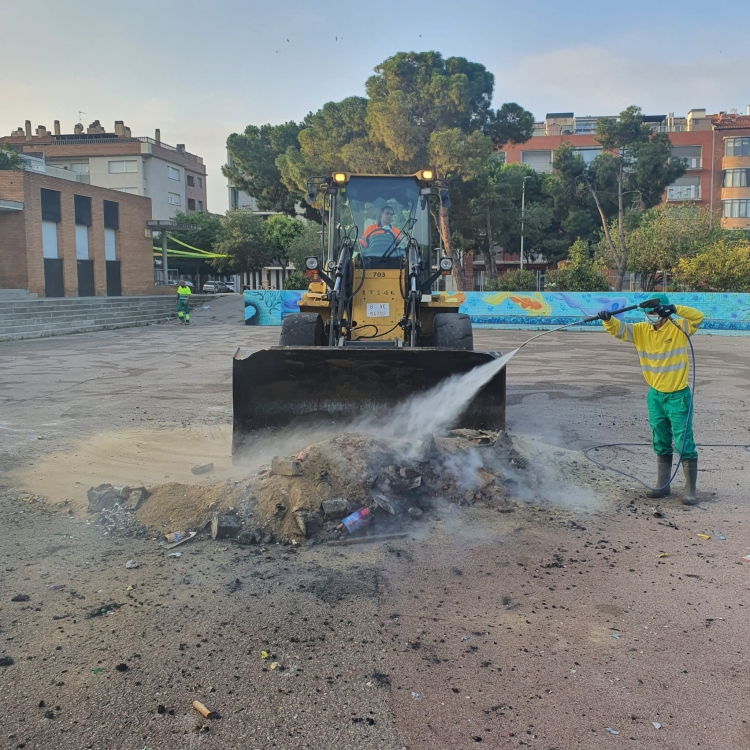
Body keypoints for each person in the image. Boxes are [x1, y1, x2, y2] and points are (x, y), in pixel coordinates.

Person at [598, 293, 703, 504]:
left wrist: (674, 308)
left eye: (653, 312)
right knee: (660, 440)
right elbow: (620, 330)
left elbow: (698, 317)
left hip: (677, 395)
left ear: (663, 312)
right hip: (655, 395)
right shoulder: (641, 330)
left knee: (683, 442)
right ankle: (663, 485)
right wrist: (607, 320)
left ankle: (690, 489)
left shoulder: (679, 327)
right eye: (647, 313)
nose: (649, 316)